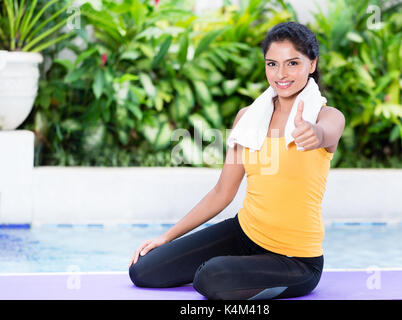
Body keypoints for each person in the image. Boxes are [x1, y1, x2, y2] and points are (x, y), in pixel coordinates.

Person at [128, 21, 345, 300]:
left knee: (211, 276)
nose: (281, 74)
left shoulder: (326, 116)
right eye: (272, 64)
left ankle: (235, 271)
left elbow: (328, 132)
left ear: (312, 64)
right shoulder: (248, 118)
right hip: (245, 234)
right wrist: (167, 237)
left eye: (293, 63)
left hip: (296, 260)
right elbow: (222, 192)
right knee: (144, 269)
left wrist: (313, 132)